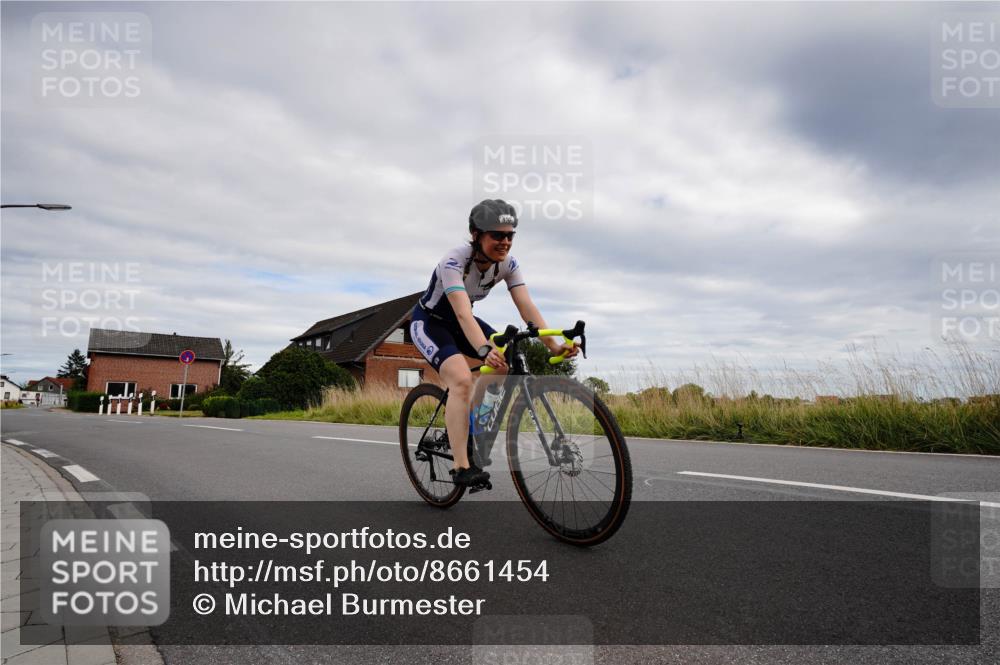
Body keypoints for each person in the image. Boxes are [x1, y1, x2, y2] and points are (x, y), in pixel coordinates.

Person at [409, 199, 579, 486]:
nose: (505, 242)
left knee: (502, 366)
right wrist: (484, 350)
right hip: (430, 324)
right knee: (462, 380)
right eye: (497, 235)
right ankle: (462, 467)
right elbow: (462, 313)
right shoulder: (453, 261)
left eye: (510, 235)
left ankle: (469, 425)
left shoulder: (508, 265)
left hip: (464, 323)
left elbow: (527, 306)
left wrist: (553, 345)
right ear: (476, 235)